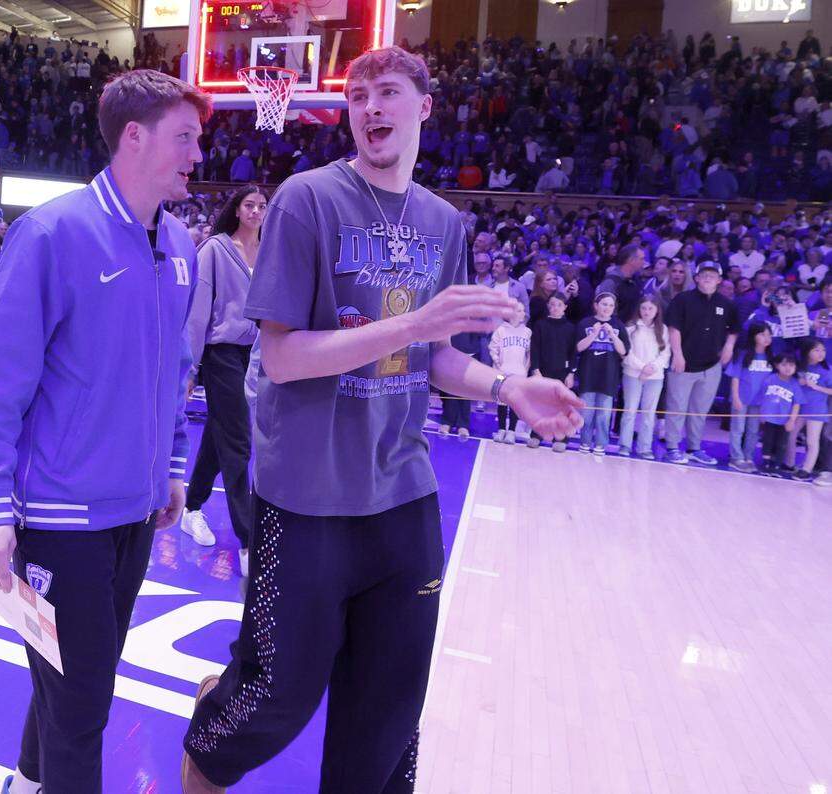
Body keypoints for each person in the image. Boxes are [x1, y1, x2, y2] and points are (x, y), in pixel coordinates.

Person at [181, 46, 583, 794]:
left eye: (388, 93)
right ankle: (204, 749)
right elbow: (283, 358)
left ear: (424, 107)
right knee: (275, 696)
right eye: (359, 95)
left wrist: (508, 386)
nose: (371, 108)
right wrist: (410, 327)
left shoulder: (442, 221)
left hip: (402, 493)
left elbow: (438, 357)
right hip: (305, 496)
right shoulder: (306, 200)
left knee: (390, 706)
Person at [0, 70, 210, 794]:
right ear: (134, 137)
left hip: (132, 513)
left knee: (73, 685)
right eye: (184, 137)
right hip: (60, 518)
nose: (198, 152)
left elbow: (174, 373)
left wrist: (170, 465)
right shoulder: (52, 232)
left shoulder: (184, 247)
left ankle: (28, 782)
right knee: (83, 706)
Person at [181, 184, 265, 576]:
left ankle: (191, 506)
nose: (256, 211)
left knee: (221, 435)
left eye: (262, 205)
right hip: (220, 353)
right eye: (249, 204)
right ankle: (249, 541)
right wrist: (191, 368)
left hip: (256, 353)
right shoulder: (215, 249)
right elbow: (198, 314)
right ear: (236, 209)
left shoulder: (269, 251)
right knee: (239, 442)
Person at [663, 261, 739, 465]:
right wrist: (677, 354)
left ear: (719, 280)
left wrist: (729, 346)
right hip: (684, 363)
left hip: (711, 366)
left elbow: (734, 329)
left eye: (712, 275)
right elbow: (673, 328)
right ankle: (671, 447)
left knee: (700, 410)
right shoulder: (683, 299)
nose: (707, 278)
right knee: (676, 407)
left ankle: (694, 448)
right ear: (696, 277)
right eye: (704, 274)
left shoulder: (726, 304)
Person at [576, 292, 630, 454]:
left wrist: (612, 334)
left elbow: (624, 351)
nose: (607, 308)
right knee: (587, 413)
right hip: (588, 375)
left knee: (604, 415)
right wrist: (593, 334)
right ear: (596, 305)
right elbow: (579, 348)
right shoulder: (585, 323)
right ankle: (585, 442)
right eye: (604, 304)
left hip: (609, 376)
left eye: (611, 305)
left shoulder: (619, 325)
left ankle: (600, 444)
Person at [618, 296, 670, 458]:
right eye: (644, 308)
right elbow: (627, 352)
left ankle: (644, 447)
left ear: (657, 311)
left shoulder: (663, 329)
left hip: (655, 377)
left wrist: (652, 368)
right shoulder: (631, 328)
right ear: (639, 309)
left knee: (649, 412)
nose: (647, 312)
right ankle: (625, 445)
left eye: (650, 309)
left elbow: (665, 353)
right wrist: (642, 368)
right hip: (633, 374)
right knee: (630, 410)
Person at [529, 291, 577, 452]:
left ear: (565, 307)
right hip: (543, 372)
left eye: (559, 305)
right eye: (553, 304)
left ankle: (562, 438)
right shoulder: (540, 325)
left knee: (561, 406)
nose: (555, 308)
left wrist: (571, 373)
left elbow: (573, 353)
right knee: (541, 405)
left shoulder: (570, 328)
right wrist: (535, 370)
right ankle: (537, 434)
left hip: (562, 374)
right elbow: (534, 349)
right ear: (548, 306)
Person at [726, 322, 773, 473]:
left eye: (768, 335)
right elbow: (735, 377)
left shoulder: (771, 357)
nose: (766, 338)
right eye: (762, 334)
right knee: (738, 428)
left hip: (759, 402)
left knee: (753, 430)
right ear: (754, 336)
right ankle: (736, 457)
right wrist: (735, 397)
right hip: (742, 398)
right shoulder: (743, 354)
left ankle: (748, 457)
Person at [489, 300, 531, 443]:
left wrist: (525, 369)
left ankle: (512, 431)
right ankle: (501, 429)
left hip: (519, 373)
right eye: (519, 310)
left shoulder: (527, 332)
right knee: (501, 401)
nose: (523, 313)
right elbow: (492, 348)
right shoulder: (501, 330)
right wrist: (499, 363)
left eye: (523, 310)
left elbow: (529, 353)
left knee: (515, 401)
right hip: (502, 372)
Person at [794, 338, 832, 482]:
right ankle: (790, 463)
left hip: (817, 409)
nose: (821, 353)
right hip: (800, 408)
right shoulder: (800, 367)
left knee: (812, 440)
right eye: (816, 350)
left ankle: (806, 469)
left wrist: (816, 387)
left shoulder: (827, 370)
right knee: (791, 435)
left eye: (823, 350)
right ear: (807, 352)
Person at [757, 353, 801, 476]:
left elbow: (797, 404)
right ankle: (766, 463)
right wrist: (762, 414)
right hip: (770, 418)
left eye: (791, 365)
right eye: (784, 364)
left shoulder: (794, 384)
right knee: (768, 440)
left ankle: (776, 465)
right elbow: (762, 397)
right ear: (777, 366)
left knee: (781, 443)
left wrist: (792, 421)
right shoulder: (770, 379)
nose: (788, 368)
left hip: (784, 421)